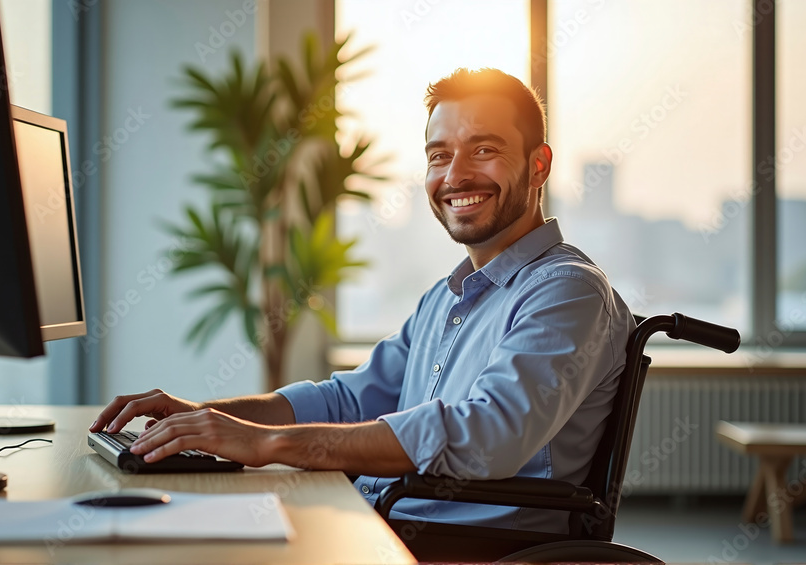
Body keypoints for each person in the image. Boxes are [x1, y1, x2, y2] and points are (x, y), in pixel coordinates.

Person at [90, 68, 634, 537]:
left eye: (485, 149)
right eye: (439, 155)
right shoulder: (447, 298)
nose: (456, 174)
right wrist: (205, 416)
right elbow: (347, 400)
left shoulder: (567, 290)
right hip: (383, 519)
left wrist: (267, 444)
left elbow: (488, 435)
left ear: (539, 165)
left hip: (461, 546)